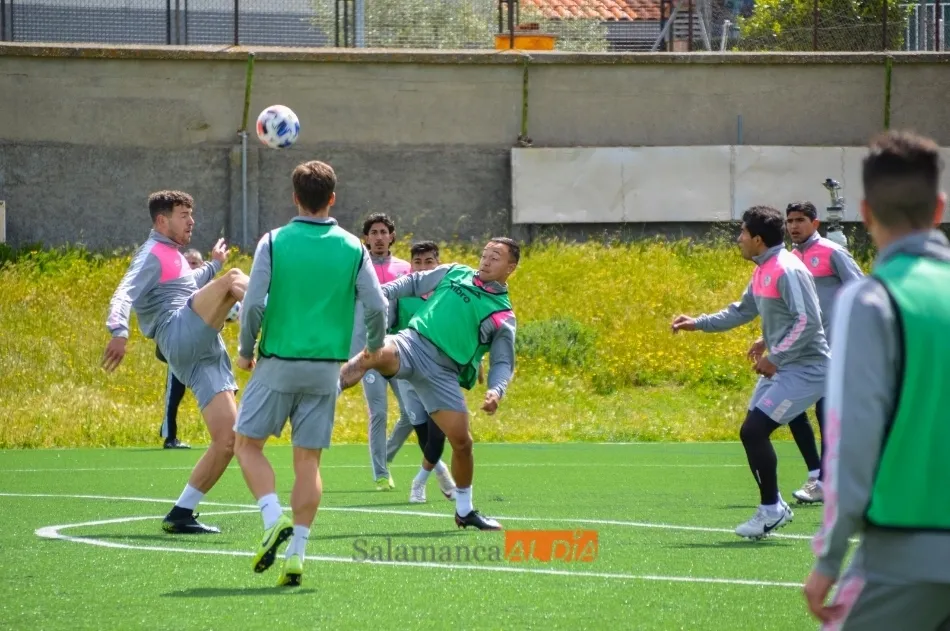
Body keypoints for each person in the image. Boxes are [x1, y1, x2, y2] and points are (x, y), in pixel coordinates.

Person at [804, 130, 950, 629]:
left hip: (904, 555)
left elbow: (852, 440)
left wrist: (829, 557)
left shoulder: (871, 300)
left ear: (865, 213)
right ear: (939, 208)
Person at [233, 161, 388, 587]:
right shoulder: (354, 247)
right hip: (326, 371)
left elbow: (254, 304)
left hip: (278, 362)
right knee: (308, 461)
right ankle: (297, 554)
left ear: (295, 197)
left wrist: (246, 350)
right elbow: (377, 306)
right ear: (332, 199)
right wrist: (374, 346)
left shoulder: (274, 241)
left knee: (246, 445)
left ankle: (271, 517)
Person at [339, 238, 520, 530]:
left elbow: (502, 362)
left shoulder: (502, 314)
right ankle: (322, 394)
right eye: (485, 254)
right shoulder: (456, 272)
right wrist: (382, 292)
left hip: (444, 374)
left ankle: (464, 511)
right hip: (412, 344)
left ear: (510, 267)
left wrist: (496, 391)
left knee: (462, 442)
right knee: (371, 354)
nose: (485, 260)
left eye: (495, 257)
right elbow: (413, 283)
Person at [671, 205, 830, 540]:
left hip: (808, 368)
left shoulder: (788, 268)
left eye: (742, 232)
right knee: (751, 431)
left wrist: (776, 354)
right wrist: (697, 323)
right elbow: (742, 310)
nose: (739, 238)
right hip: (786, 367)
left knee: (755, 430)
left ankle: (772, 509)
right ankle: (773, 507)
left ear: (758, 239)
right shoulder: (764, 269)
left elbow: (809, 321)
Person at [103, 190, 248, 534]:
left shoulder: (176, 256)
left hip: (202, 352)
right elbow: (123, 293)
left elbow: (188, 286)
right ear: (161, 220)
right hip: (178, 332)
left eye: (191, 214)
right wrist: (119, 330)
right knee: (234, 280)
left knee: (230, 439)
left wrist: (212, 264)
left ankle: (182, 512)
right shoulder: (152, 253)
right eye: (184, 215)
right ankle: (279, 318)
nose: (191, 221)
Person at [749, 201, 865, 505]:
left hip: (831, 348)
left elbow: (861, 292)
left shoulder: (832, 252)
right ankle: (817, 473)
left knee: (826, 412)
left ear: (815, 223)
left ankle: (828, 480)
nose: (793, 226)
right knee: (794, 412)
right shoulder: (789, 258)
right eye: (789, 221)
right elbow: (792, 308)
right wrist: (766, 339)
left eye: (800, 220)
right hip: (800, 350)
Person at [380, 240, 456, 504]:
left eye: (429, 262)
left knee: (439, 432)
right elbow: (386, 331)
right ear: (411, 266)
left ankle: (420, 482)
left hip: (440, 373)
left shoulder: (450, 295)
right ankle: (441, 474)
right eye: (418, 263)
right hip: (408, 373)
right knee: (423, 432)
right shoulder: (402, 295)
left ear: (438, 264)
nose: (423, 268)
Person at [352, 212, 413, 491]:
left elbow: (410, 308)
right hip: (368, 351)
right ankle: (380, 473)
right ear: (366, 238)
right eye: (373, 232)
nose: (378, 237)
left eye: (383, 232)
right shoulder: (355, 267)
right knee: (379, 411)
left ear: (392, 236)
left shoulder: (404, 268)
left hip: (398, 348)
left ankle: (384, 457)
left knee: (412, 413)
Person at [158, 248, 203, 449]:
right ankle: (170, 437)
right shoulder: (175, 288)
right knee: (174, 392)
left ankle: (227, 433)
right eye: (188, 263)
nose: (192, 266)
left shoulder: (208, 290)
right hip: (179, 347)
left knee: (223, 389)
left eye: (195, 263)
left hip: (203, 349)